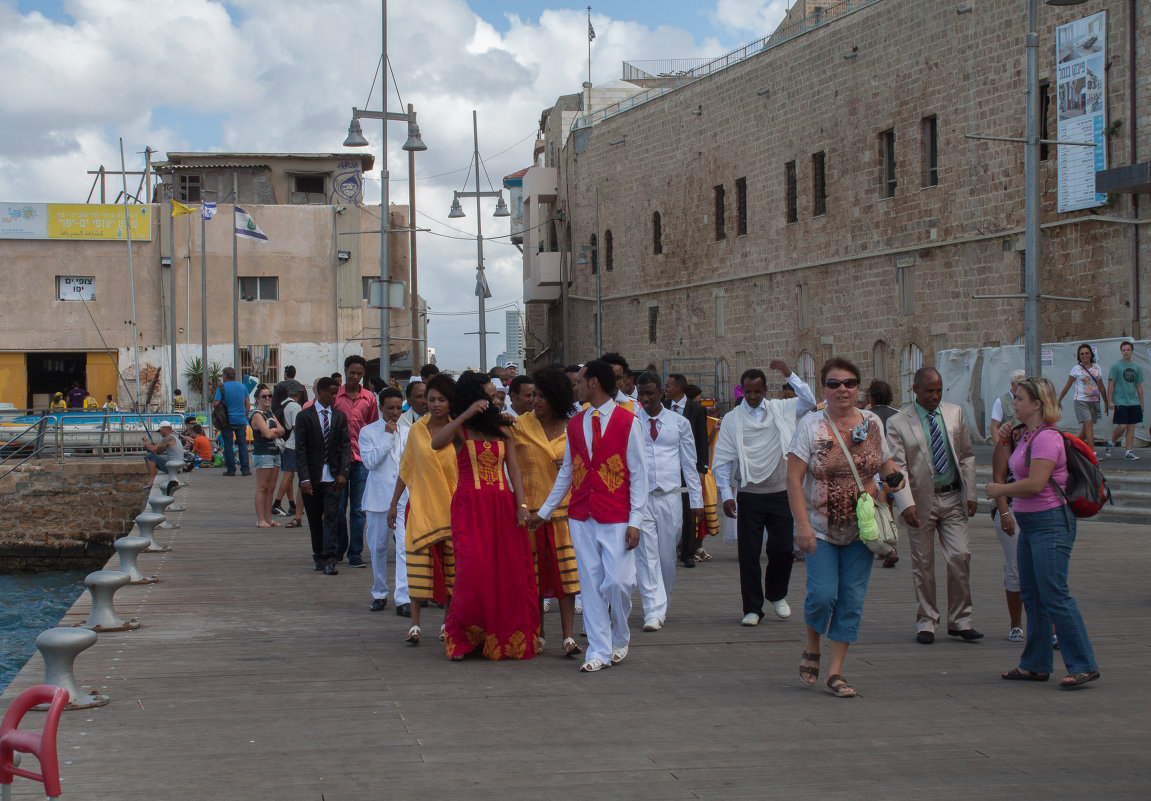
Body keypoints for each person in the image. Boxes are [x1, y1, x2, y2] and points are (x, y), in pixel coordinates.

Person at [787, 357, 903, 698]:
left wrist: (893, 476)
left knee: (851, 600)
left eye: (850, 383)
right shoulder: (811, 426)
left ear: (859, 388)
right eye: (835, 384)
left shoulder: (871, 422)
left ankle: (836, 673)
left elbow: (883, 460)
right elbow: (794, 480)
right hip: (820, 529)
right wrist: (802, 526)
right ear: (823, 389)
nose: (843, 390)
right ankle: (812, 641)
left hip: (863, 530)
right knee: (823, 596)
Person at [528, 360, 647, 673]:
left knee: (619, 583)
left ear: (594, 383)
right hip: (581, 515)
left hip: (618, 516)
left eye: (579, 381)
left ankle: (619, 635)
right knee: (591, 584)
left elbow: (639, 475)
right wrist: (543, 512)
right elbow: (567, 472)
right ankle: (598, 649)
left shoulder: (628, 420)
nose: (575, 387)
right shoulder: (576, 422)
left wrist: (636, 521)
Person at [986, 376, 1100, 689]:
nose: (1015, 402)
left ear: (1037, 404)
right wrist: (1005, 438)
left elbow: (1036, 483)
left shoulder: (1047, 438)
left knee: (1054, 593)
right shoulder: (1024, 434)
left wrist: (1001, 490)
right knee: (1033, 595)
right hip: (1031, 523)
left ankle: (1084, 664)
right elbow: (1005, 458)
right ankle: (1035, 664)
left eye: (1020, 398)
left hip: (1052, 522)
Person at [430, 372, 539, 661]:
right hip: (469, 506)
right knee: (472, 571)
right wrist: (464, 414)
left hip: (503, 504)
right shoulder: (459, 429)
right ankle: (464, 637)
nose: (496, 400)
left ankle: (498, 637)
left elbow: (514, 469)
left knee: (506, 572)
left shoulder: (503, 429)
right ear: (474, 398)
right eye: (490, 395)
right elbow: (436, 443)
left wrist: (522, 505)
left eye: (496, 396)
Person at [712, 361, 816, 626]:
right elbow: (723, 458)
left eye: (757, 392)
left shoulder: (781, 409)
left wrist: (789, 373)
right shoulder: (733, 420)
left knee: (782, 550)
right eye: (748, 392)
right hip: (749, 493)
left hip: (781, 491)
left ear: (765, 391)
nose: (753, 397)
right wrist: (725, 494)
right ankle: (752, 608)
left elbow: (809, 400)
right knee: (748, 553)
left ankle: (777, 593)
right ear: (742, 392)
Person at [887, 367, 981, 644]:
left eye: (939, 390)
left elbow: (966, 456)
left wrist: (971, 493)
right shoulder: (898, 422)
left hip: (952, 497)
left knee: (960, 555)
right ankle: (927, 620)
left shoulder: (954, 414)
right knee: (923, 563)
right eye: (929, 391)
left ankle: (961, 620)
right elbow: (897, 466)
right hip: (919, 500)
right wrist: (905, 504)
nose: (935, 396)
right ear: (914, 390)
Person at [512, 367, 583, 657]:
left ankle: (567, 636)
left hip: (566, 514)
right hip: (532, 514)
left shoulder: (574, 427)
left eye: (542, 396)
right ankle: (538, 633)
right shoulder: (518, 425)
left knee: (567, 578)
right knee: (535, 577)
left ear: (556, 398)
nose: (535, 401)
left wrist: (572, 465)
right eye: (534, 395)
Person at [389, 373, 459, 645]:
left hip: (452, 510)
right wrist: (394, 503)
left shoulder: (458, 431)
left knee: (451, 570)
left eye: (441, 399)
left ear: (450, 402)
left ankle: (446, 622)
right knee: (418, 565)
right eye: (431, 400)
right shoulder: (417, 431)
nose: (436, 404)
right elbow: (406, 468)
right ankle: (415, 625)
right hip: (419, 506)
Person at [634, 372, 703, 631]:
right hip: (642, 499)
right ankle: (652, 609)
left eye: (650, 393)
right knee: (646, 555)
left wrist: (696, 500)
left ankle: (662, 603)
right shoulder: (632, 423)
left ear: (661, 393)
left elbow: (689, 462)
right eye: (641, 394)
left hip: (671, 497)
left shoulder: (679, 423)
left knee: (665, 557)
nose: (646, 399)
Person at [294, 376, 351, 575]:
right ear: (320, 392)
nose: (335, 397)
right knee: (314, 518)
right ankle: (318, 554)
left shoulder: (339, 416)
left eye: (337, 393)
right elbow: (300, 449)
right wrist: (304, 478)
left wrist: (344, 472)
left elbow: (345, 446)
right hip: (312, 476)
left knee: (332, 517)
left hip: (333, 477)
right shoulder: (304, 416)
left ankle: (330, 558)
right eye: (332, 393)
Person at [360, 388, 407, 612]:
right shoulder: (368, 432)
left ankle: (403, 597)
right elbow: (370, 462)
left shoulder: (409, 432)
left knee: (403, 548)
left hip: (403, 498)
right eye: (390, 408)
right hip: (378, 498)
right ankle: (379, 592)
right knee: (378, 547)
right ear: (381, 408)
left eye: (399, 408)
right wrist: (387, 435)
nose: (395, 413)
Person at [332, 354, 379, 569]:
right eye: (352, 373)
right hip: (339, 460)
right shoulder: (335, 397)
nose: (356, 377)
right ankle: (339, 547)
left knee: (359, 510)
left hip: (361, 460)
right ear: (345, 372)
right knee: (338, 508)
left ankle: (356, 553)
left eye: (360, 374)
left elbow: (372, 427)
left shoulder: (369, 398)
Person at [664, 372, 710, 569]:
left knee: (689, 510)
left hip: (688, 468)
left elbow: (701, 440)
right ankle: (669, 548)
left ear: (677, 388)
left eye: (668, 385)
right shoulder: (663, 407)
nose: (665, 388)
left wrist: (702, 468)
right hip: (668, 467)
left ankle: (688, 552)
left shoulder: (696, 411)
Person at [1056, 343, 1109, 451]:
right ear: (1079, 356)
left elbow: (1101, 386)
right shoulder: (1076, 369)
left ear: (1091, 355)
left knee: (1086, 428)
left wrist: (1106, 402)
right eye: (1082, 354)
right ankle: (1092, 452)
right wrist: (1060, 399)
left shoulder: (1097, 368)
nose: (1084, 356)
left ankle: (1071, 447)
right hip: (1081, 401)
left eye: (1086, 353)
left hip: (1094, 401)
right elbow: (1068, 385)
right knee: (1089, 424)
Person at [249, 384, 286, 528]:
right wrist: (274, 431)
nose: (267, 398)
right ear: (257, 399)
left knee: (271, 487)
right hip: (263, 453)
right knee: (262, 486)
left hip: (275, 452)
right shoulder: (257, 415)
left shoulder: (270, 414)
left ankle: (268, 518)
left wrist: (274, 431)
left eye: (269, 396)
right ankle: (261, 519)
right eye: (264, 396)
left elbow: (282, 430)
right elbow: (268, 433)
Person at [272, 385, 306, 527]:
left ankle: (292, 503)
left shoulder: (283, 404)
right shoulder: (296, 407)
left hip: (286, 444)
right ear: (299, 393)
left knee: (290, 475)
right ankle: (277, 502)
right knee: (288, 475)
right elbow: (296, 427)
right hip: (293, 444)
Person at [1106, 340, 1144, 460]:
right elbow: (1111, 383)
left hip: (1133, 402)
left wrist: (1141, 403)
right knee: (1122, 426)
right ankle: (1111, 442)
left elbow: (1139, 386)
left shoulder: (1137, 367)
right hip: (1120, 401)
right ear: (1121, 351)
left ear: (1131, 351)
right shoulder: (1116, 366)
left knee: (1131, 427)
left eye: (1128, 350)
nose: (1126, 352)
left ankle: (1128, 452)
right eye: (1124, 350)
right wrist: (1110, 401)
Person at [213, 367, 251, 476]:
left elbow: (216, 403)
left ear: (225, 376)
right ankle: (245, 469)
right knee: (242, 444)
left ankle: (231, 470)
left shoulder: (222, 387)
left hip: (227, 421)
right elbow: (247, 404)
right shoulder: (242, 387)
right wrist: (245, 415)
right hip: (241, 420)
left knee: (228, 445)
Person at [141, 422, 184, 486]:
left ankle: (152, 479)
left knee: (149, 456)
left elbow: (153, 449)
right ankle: (152, 479)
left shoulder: (168, 438)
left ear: (165, 429)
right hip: (178, 466)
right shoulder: (173, 437)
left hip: (173, 467)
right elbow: (159, 451)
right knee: (153, 455)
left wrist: (146, 443)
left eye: (159, 431)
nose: (160, 433)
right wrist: (150, 446)